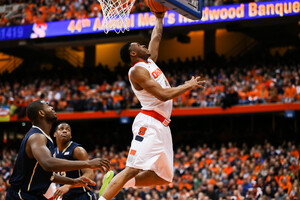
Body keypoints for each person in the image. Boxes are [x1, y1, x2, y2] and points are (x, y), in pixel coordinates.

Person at [98, 12, 205, 200]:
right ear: (133, 53)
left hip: (162, 125)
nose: (143, 45)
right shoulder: (137, 71)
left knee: (164, 177)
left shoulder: (148, 62)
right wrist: (187, 85)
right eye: (138, 45)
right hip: (149, 123)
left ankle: (119, 180)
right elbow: (163, 95)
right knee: (132, 168)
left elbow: (156, 36)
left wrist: (159, 18)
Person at [6, 100, 110, 200]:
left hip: (32, 195)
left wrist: (73, 181)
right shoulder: (37, 136)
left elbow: (49, 175)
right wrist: (88, 163)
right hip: (21, 195)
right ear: (41, 113)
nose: (52, 107)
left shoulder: (44, 137)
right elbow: (48, 164)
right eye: (48, 106)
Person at [52, 122, 96, 200]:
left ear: (71, 135)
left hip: (82, 196)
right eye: (61, 129)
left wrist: (68, 185)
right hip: (65, 196)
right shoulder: (53, 153)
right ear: (55, 134)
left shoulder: (78, 150)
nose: (64, 131)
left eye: (67, 130)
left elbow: (90, 175)